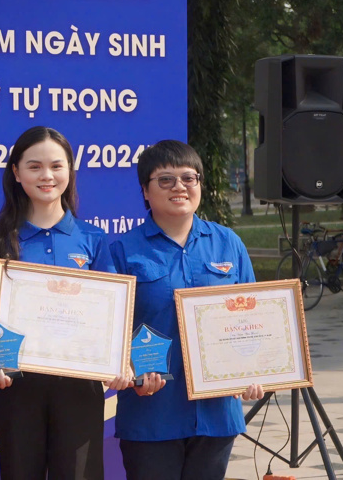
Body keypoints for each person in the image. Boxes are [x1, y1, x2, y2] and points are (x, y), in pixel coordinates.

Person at [0, 126, 132, 479]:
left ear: (70, 171)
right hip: (17, 386)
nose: (47, 176)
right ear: (16, 173)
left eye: (56, 166)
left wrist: (119, 362)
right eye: (34, 166)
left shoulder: (93, 239)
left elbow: (109, 319)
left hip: (79, 385)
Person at [110, 140, 264, 480]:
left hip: (216, 414)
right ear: (145, 192)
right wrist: (132, 370)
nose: (179, 186)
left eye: (189, 178)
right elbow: (108, 333)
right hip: (151, 414)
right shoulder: (123, 251)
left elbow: (253, 318)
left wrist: (254, 370)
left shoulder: (228, 243)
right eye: (165, 180)